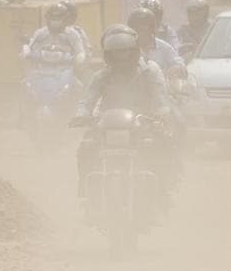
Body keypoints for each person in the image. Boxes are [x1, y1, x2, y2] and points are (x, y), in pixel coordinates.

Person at [70, 24, 170, 196]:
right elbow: (87, 99)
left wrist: (161, 114)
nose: (120, 58)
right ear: (108, 55)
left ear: (134, 51)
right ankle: (86, 189)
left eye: (124, 52)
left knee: (159, 147)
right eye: (116, 53)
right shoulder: (102, 75)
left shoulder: (149, 71)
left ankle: (161, 191)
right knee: (86, 147)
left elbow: (160, 97)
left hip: (144, 123)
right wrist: (81, 116)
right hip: (107, 126)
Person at [126, 8, 187, 79]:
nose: (140, 30)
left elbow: (179, 64)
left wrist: (176, 68)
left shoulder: (164, 47)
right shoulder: (126, 48)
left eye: (144, 26)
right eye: (136, 27)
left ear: (152, 28)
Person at [21, 2, 85, 66]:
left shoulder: (72, 34)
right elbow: (30, 46)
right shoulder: (40, 33)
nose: (55, 22)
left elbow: (79, 50)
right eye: (53, 19)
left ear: (65, 20)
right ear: (48, 19)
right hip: (40, 70)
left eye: (58, 19)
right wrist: (26, 51)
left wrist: (80, 57)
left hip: (65, 70)